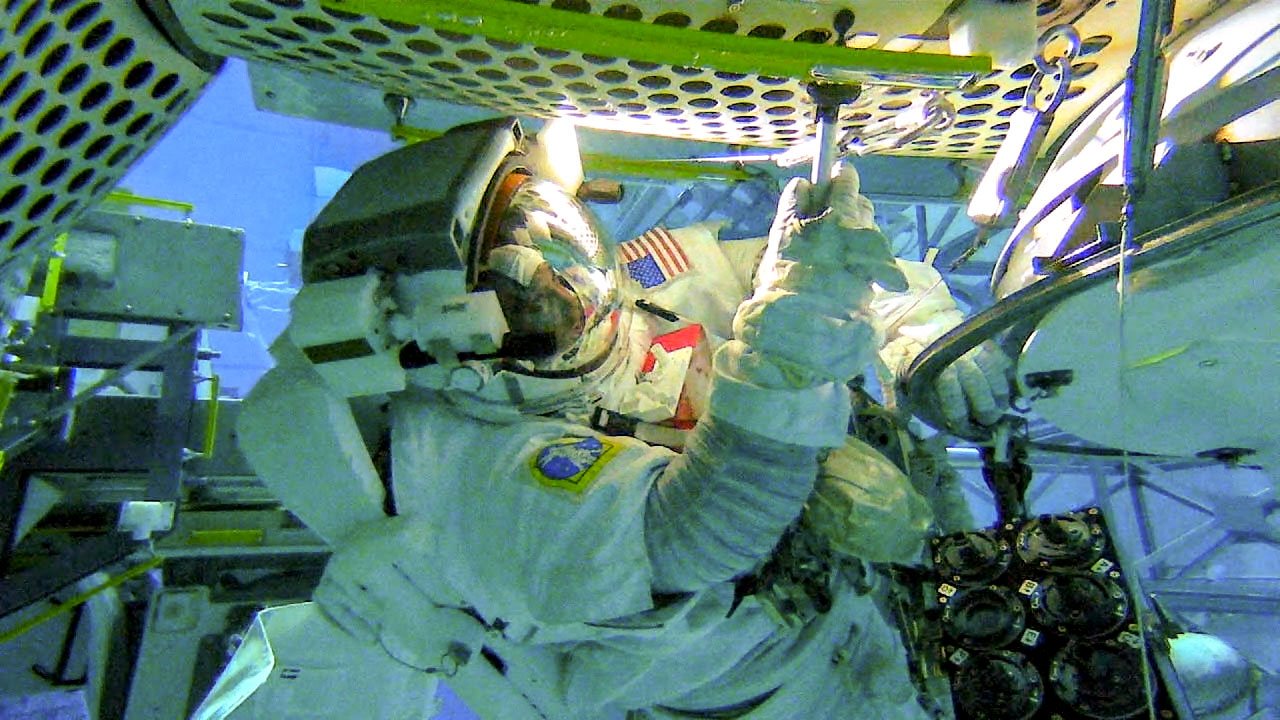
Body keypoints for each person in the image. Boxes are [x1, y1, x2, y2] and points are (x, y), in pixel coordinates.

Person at [194, 117, 1010, 720]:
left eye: (560, 241)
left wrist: (919, 334)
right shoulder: (471, 479)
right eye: (531, 290)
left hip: (907, 590)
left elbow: (803, 266)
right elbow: (700, 531)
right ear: (458, 340)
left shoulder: (625, 300)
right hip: (819, 689)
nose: (573, 283)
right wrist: (794, 346)